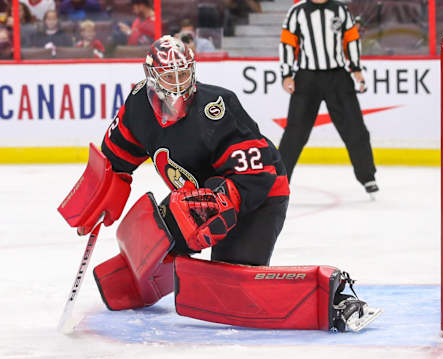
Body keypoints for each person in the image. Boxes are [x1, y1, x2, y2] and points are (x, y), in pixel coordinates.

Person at [58, 35, 381, 332]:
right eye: (168, 75)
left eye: (183, 73)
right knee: (160, 226)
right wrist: (100, 192)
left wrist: (221, 201)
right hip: (197, 198)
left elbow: (259, 170)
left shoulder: (217, 107)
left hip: (261, 197)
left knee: (229, 289)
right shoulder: (138, 106)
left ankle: (331, 300)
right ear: (150, 75)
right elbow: (116, 158)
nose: (177, 82)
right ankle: (134, 280)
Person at [278, 0, 378, 197]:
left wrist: (356, 69)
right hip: (307, 78)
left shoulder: (340, 9)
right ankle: (279, 180)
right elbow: (288, 44)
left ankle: (368, 177)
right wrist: (286, 73)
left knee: (355, 127)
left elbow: (352, 39)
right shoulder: (297, 12)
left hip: (338, 77)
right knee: (295, 132)